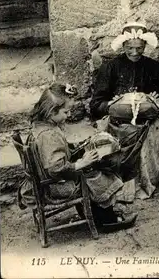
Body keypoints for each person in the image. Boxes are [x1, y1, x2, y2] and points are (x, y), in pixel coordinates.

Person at [18, 83, 137, 229]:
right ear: (51, 112)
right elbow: (55, 168)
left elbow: (54, 155)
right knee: (96, 176)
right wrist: (80, 163)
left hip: (45, 181)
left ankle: (92, 212)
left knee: (90, 168)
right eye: (65, 112)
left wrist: (79, 148)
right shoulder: (49, 135)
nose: (69, 115)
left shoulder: (41, 126)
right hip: (52, 188)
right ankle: (104, 219)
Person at [90, 22, 159, 199]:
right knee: (107, 142)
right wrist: (112, 105)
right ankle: (118, 186)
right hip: (118, 122)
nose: (135, 53)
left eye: (139, 48)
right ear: (123, 46)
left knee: (157, 138)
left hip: (148, 122)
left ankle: (147, 183)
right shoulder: (110, 67)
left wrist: (158, 101)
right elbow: (96, 104)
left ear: (145, 46)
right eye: (130, 48)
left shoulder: (154, 67)